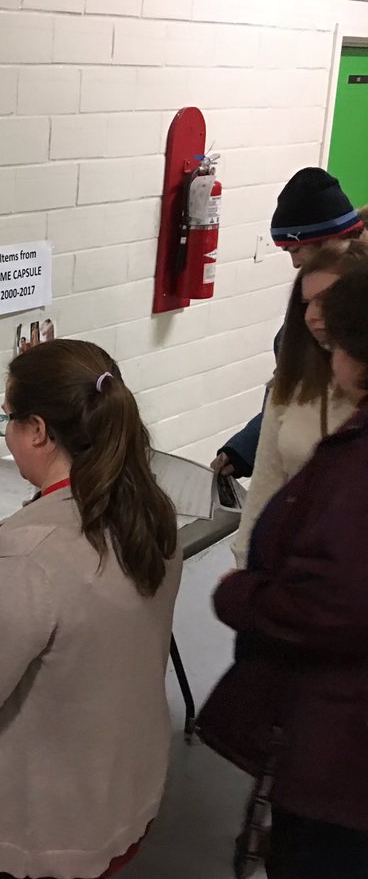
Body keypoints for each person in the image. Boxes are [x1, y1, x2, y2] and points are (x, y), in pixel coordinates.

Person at [0, 339, 181, 879]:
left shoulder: (28, 556)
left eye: (8, 420)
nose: (10, 435)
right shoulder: (149, 510)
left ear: (38, 430)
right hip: (121, 787)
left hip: (42, 827)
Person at [197, 262, 368, 878]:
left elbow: (338, 602)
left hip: (342, 746)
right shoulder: (301, 388)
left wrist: (244, 598)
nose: (318, 317)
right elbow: (271, 473)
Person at [212, 169, 366, 478]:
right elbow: (294, 394)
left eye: (296, 249)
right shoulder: (310, 299)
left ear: (330, 240)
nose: (294, 263)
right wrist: (245, 448)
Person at [230, 239, 368, 567]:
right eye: (307, 303)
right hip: (291, 571)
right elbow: (265, 483)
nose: (313, 316)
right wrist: (245, 565)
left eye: (327, 300)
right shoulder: (292, 386)